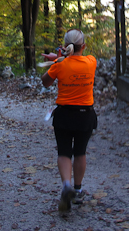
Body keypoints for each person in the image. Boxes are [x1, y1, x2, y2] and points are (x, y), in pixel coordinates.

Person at [40, 29, 97, 213]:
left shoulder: (59, 65)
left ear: (65, 47)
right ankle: (78, 190)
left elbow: (45, 82)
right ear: (84, 46)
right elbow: (76, 60)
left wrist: (55, 61)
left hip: (64, 115)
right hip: (85, 116)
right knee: (80, 152)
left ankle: (66, 186)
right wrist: (60, 59)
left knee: (64, 153)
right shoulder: (91, 62)